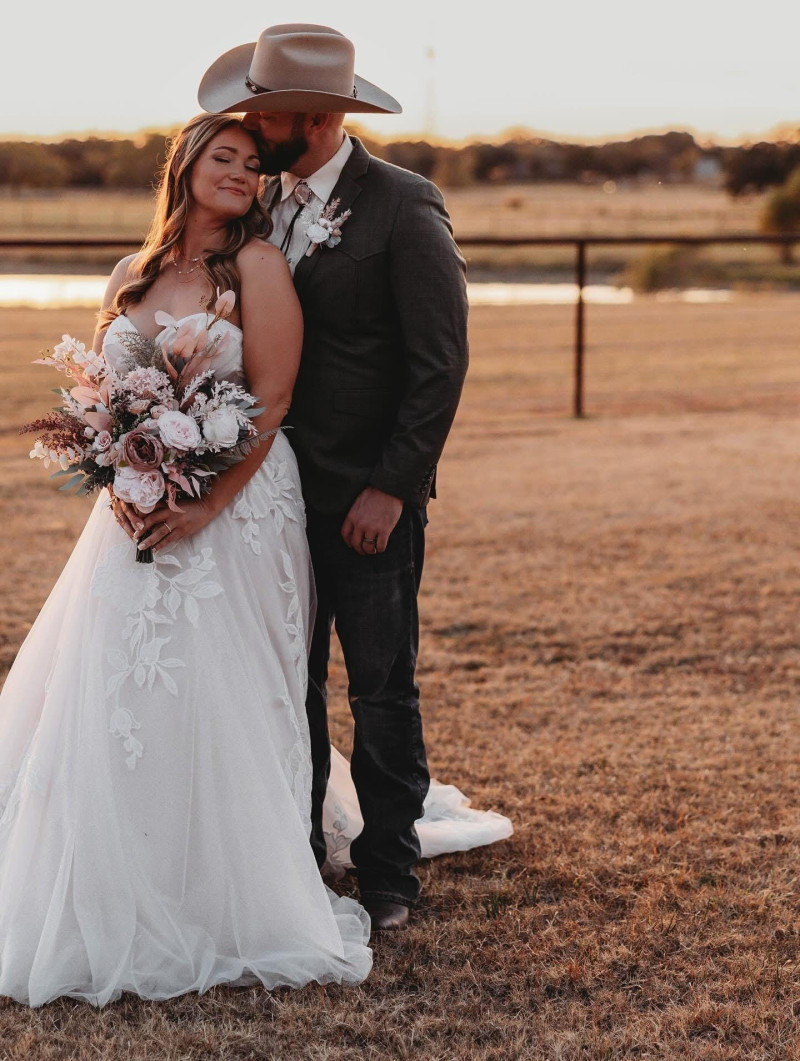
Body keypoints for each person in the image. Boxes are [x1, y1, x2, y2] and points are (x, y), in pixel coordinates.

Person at [0, 112, 374, 1006]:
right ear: (187, 165)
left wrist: (205, 499)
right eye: (225, 157)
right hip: (131, 509)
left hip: (238, 503)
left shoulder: (257, 267)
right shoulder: (131, 273)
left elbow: (274, 397)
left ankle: (223, 873)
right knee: (119, 680)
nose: (242, 173)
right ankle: (117, 853)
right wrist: (119, 463)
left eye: (254, 164)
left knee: (223, 678)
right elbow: (103, 391)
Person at [198, 24, 484, 930]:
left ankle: (389, 871)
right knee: (290, 682)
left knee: (379, 685)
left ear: (313, 116)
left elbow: (439, 363)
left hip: (367, 499)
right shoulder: (263, 205)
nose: (250, 126)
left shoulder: (404, 205)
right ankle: (299, 851)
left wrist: (394, 486)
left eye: (264, 111)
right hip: (274, 497)